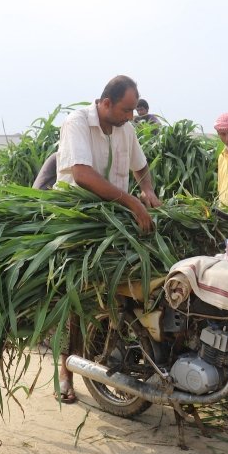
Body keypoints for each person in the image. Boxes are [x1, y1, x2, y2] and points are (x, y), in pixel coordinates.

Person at [55, 74, 162, 403]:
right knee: (74, 300)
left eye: (133, 111)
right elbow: (83, 175)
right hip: (77, 221)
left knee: (121, 293)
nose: (132, 116)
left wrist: (147, 191)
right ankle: (65, 370)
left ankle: (115, 364)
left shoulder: (125, 129)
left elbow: (141, 167)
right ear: (105, 104)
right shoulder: (77, 124)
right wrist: (131, 201)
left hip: (114, 222)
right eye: (126, 110)